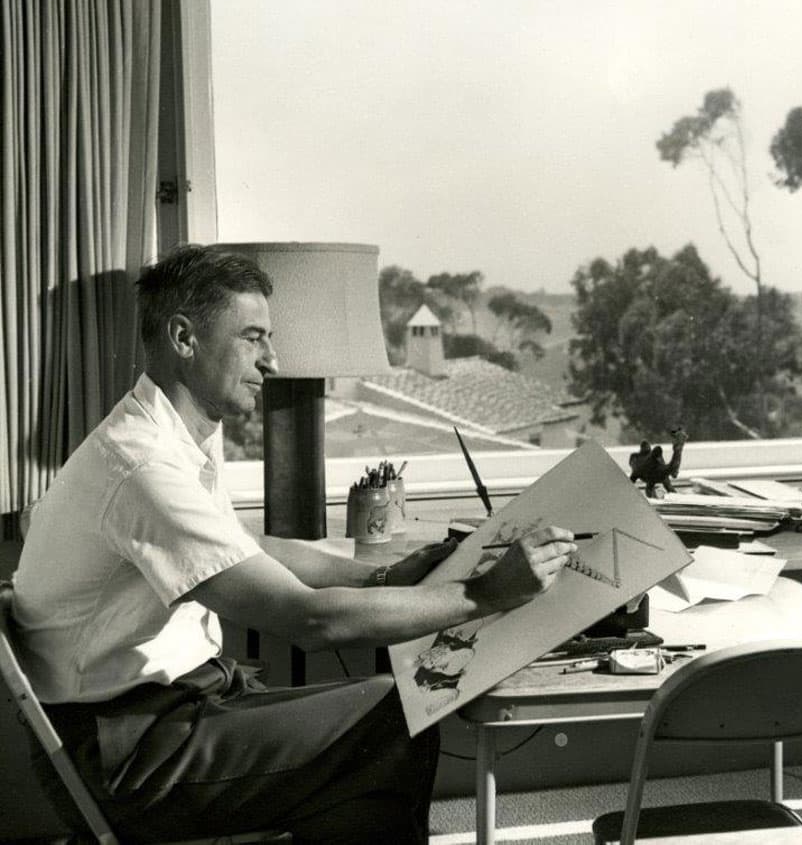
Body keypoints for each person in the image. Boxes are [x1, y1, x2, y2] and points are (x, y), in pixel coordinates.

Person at [11, 243, 579, 843]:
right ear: (184, 338)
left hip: (164, 719)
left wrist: (384, 578)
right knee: (388, 719)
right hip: (130, 757)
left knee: (377, 731)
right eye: (253, 337)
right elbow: (309, 621)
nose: (273, 361)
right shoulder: (142, 467)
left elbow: (253, 550)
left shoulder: (170, 437)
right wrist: (489, 593)